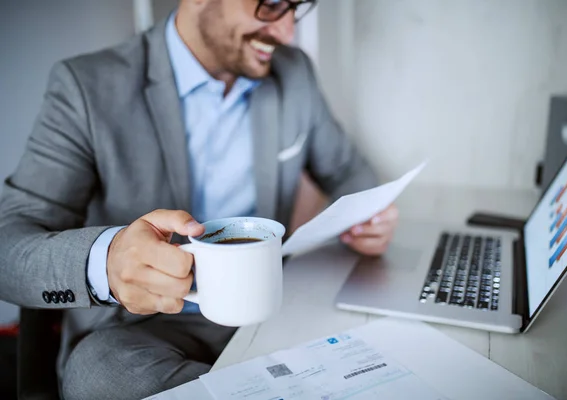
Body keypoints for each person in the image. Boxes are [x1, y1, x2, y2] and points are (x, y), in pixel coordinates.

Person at [0, 0, 399, 398]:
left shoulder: (294, 72)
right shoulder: (86, 86)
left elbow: (350, 174)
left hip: (274, 302)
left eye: (296, 7)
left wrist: (368, 219)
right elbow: (8, 248)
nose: (287, 31)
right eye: (272, 4)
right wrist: (107, 263)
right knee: (100, 377)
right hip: (147, 328)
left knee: (397, 332)